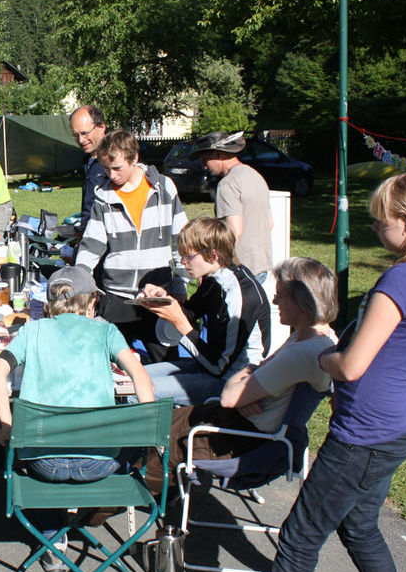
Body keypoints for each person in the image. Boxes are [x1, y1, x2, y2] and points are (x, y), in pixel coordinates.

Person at [196, 170, 406, 572]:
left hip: (365, 434)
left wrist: (321, 354)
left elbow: (351, 365)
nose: (376, 230)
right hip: (402, 424)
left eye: (381, 222)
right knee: (358, 526)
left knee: (300, 536)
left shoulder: (400, 282)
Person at [0, 266, 154, 572]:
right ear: (91, 302)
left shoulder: (32, 330)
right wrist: (147, 430)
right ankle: (80, 519)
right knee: (129, 445)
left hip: (43, 463)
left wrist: (6, 425)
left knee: (34, 448)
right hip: (98, 463)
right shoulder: (106, 332)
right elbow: (140, 376)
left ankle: (52, 534)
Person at [146, 257, 337, 493]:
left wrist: (248, 372)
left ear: (301, 301)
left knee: (154, 439)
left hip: (241, 437)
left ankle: (102, 508)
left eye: (281, 295)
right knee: (155, 423)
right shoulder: (319, 337)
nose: (274, 301)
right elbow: (254, 380)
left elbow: (230, 396)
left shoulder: (302, 352)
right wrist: (250, 385)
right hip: (241, 421)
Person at [76, 129, 189, 360]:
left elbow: (182, 240)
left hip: (158, 294)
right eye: (106, 168)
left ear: (134, 158)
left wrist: (181, 285)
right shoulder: (103, 196)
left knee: (168, 365)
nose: (111, 175)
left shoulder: (165, 188)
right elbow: (91, 246)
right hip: (117, 297)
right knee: (109, 365)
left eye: (117, 168)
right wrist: (81, 287)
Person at [140, 217, 271, 405]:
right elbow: (190, 313)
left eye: (188, 256)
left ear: (213, 255)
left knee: (138, 390)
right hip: (208, 366)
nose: (183, 263)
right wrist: (162, 300)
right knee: (134, 377)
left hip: (231, 382)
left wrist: (180, 323)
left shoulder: (238, 295)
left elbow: (219, 367)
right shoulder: (213, 281)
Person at [190, 131, 273, 282]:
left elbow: (234, 231)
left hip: (239, 271)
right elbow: (270, 223)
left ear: (219, 154)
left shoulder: (228, 184)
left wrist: (213, 266)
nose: (204, 166)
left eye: (205, 159)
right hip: (261, 266)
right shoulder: (256, 176)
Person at [69, 105, 111, 234]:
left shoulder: (115, 161)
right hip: (88, 235)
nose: (81, 140)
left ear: (101, 127)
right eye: (76, 135)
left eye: (85, 133)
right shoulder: (87, 160)